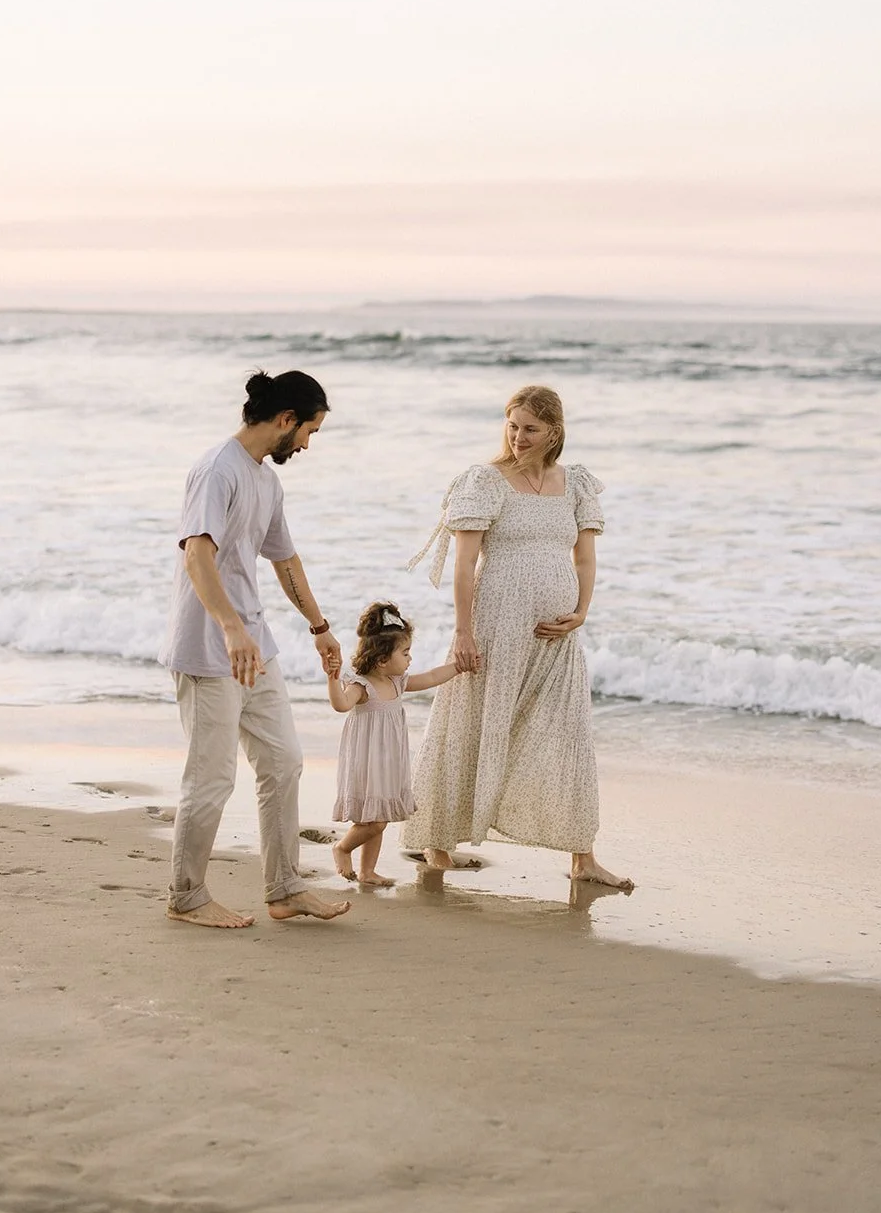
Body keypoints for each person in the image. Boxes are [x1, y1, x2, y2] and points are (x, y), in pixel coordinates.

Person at [403, 384, 634, 891]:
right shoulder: (485, 481)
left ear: (555, 431)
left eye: (530, 428)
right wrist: (463, 632)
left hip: (556, 636)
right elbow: (465, 565)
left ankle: (583, 858)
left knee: (568, 736)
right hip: (495, 624)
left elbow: (585, 558)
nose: (518, 437)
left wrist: (580, 612)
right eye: (512, 426)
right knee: (470, 723)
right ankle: (436, 842)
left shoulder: (575, 484)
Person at [159, 369, 351, 929]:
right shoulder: (218, 470)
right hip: (208, 649)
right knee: (212, 777)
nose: (308, 444)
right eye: (309, 431)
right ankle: (186, 895)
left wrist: (320, 628)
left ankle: (285, 886)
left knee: (283, 762)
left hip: (254, 647)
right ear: (286, 420)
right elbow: (198, 553)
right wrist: (229, 627)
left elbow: (284, 559)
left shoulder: (266, 481)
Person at [328, 602, 475, 885]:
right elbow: (340, 705)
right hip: (367, 763)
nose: (410, 659)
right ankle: (342, 847)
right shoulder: (360, 686)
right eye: (405, 653)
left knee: (378, 817)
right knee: (375, 821)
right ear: (383, 659)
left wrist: (458, 667)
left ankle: (368, 872)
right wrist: (332, 678)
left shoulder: (397, 682)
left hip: (389, 762)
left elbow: (432, 677)